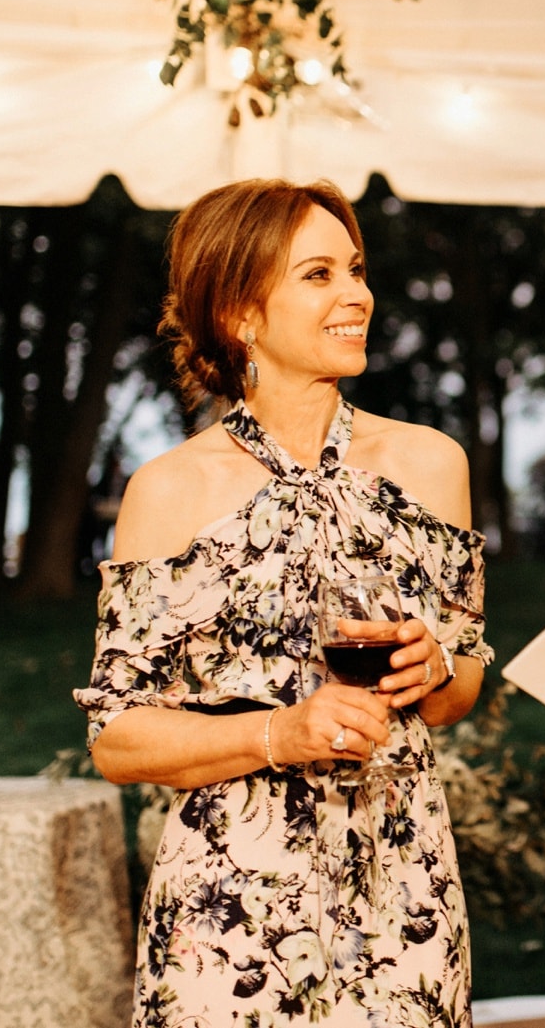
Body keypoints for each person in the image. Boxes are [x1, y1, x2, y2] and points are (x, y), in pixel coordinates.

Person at [74, 179, 490, 1027]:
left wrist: (437, 665)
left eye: (358, 268)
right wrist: (280, 733)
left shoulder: (433, 464)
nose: (356, 294)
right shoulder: (169, 490)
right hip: (227, 909)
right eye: (318, 274)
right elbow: (117, 738)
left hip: (401, 890)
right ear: (240, 314)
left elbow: (458, 694)